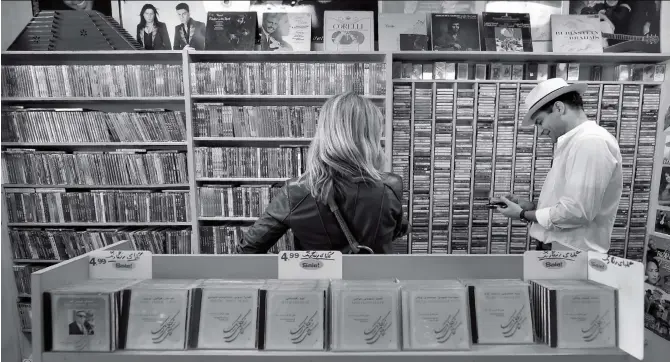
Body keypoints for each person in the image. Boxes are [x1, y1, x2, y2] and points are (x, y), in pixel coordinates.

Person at [237, 93, 408, 254]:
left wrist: (283, 276)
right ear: (369, 136)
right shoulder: (390, 186)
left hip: (317, 284)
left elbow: (247, 250)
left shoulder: (295, 191)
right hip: (374, 284)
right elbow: (396, 231)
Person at [493, 78, 623, 253]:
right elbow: (569, 203)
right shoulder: (574, 143)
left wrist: (522, 214)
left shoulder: (591, 142)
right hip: (559, 253)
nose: (540, 132)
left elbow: (576, 212)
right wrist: (531, 207)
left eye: (540, 122)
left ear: (559, 108)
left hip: (570, 256)